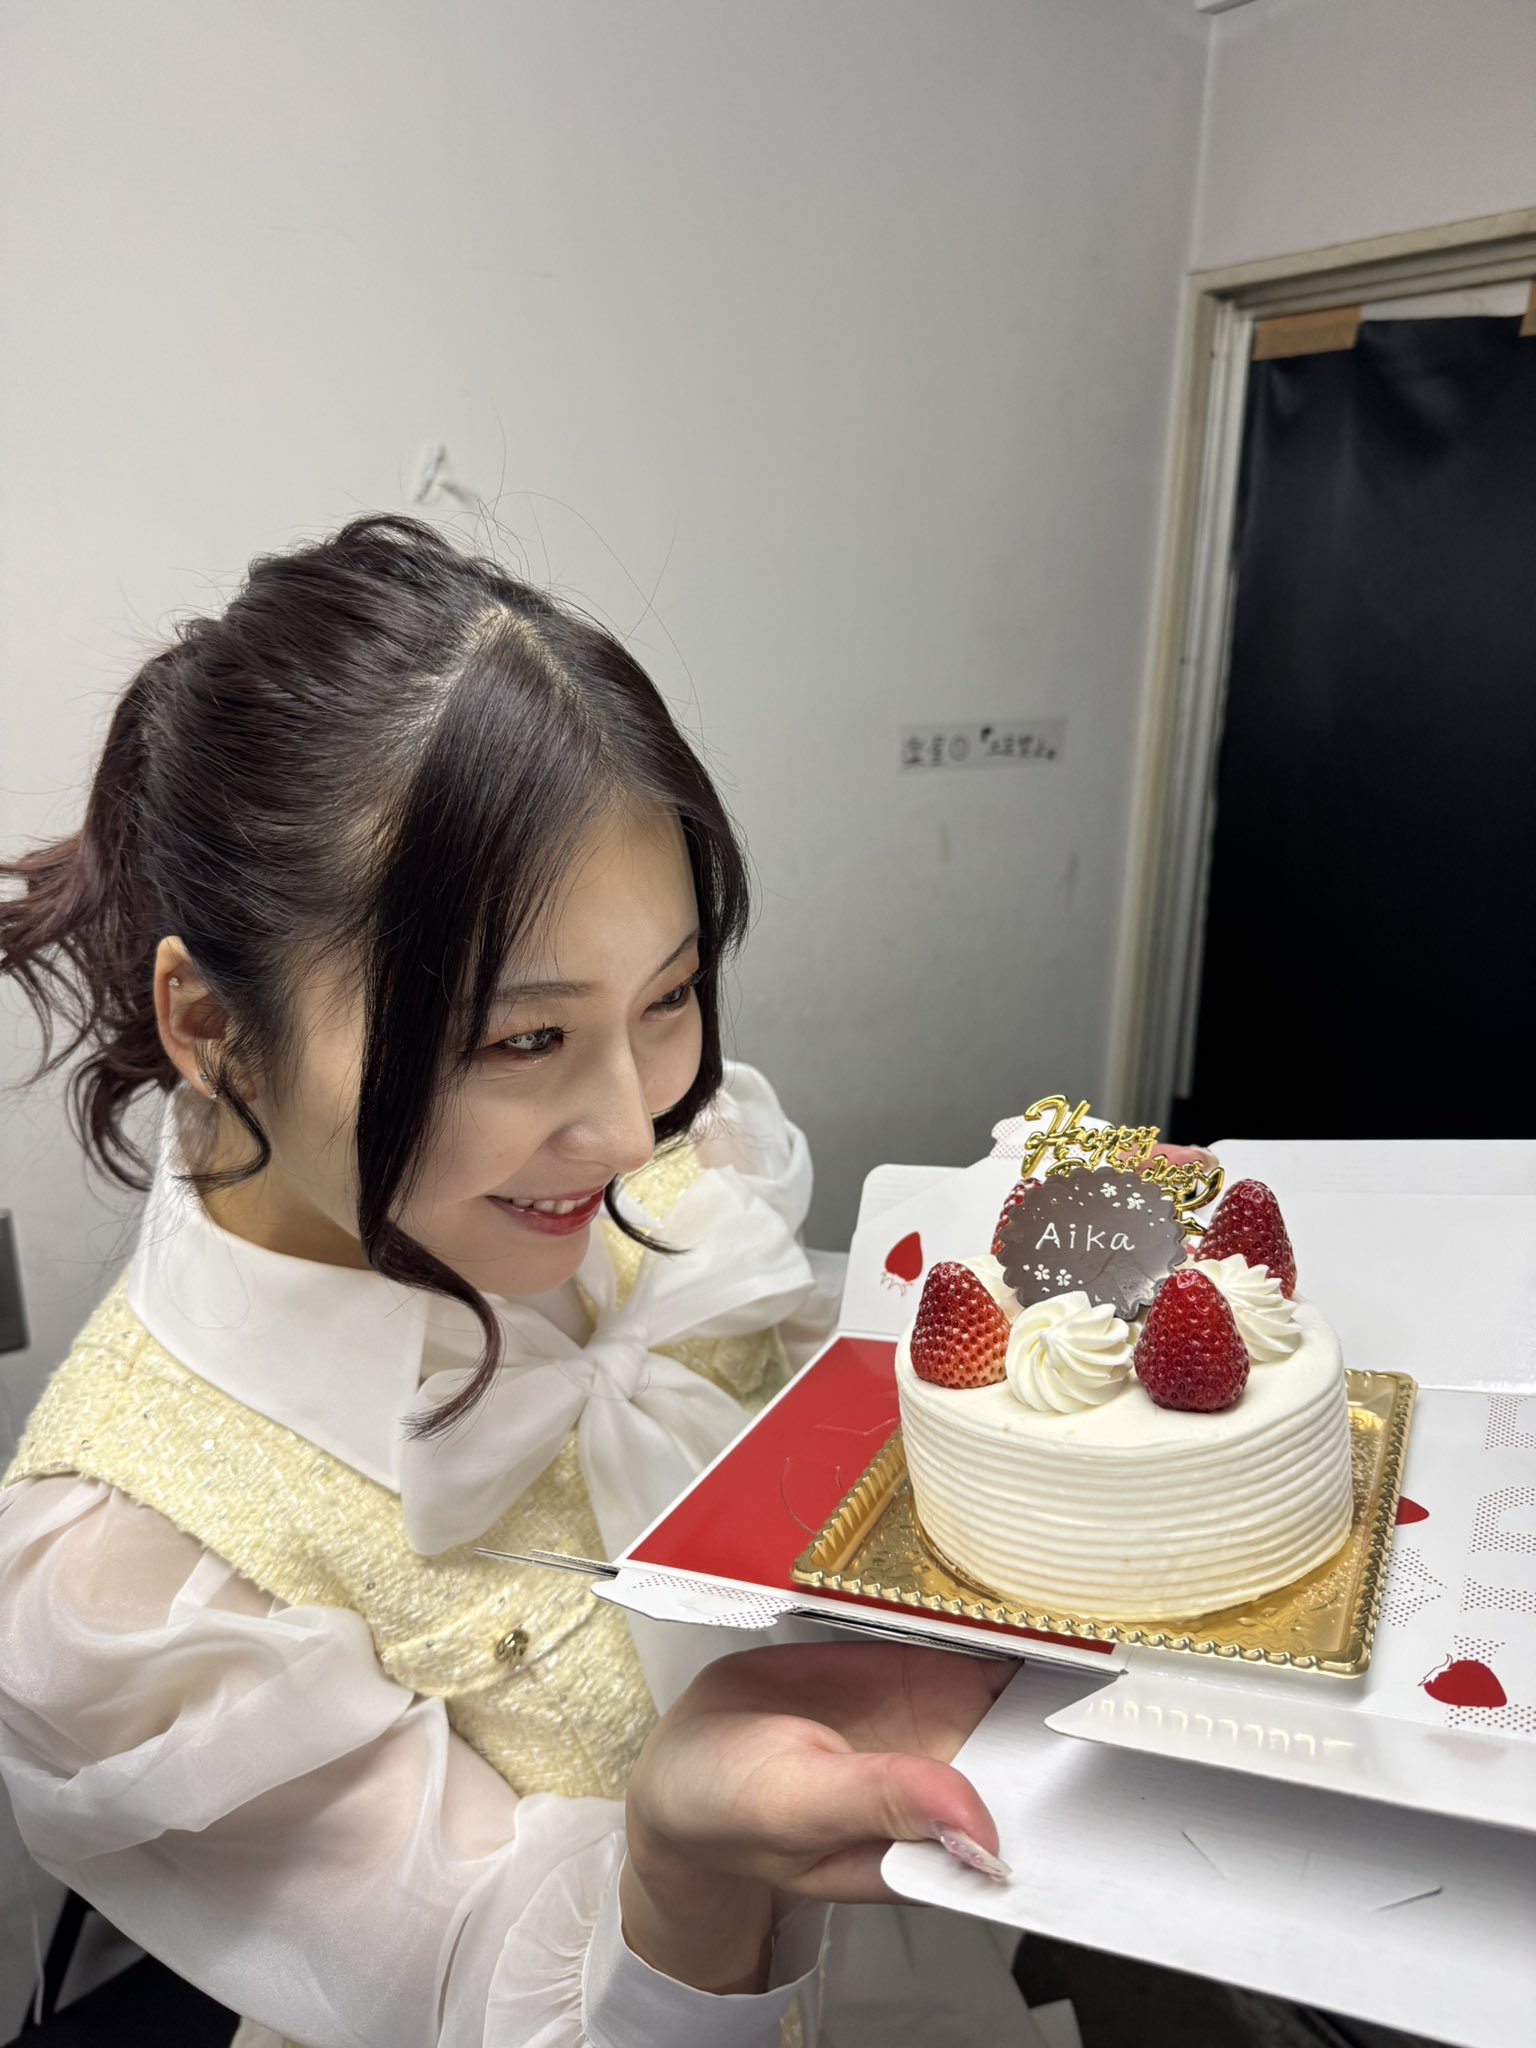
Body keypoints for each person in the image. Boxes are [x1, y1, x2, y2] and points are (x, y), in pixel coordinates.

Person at [0, 518, 1045, 2047]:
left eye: (669, 996)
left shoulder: (642, 1159)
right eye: (523, 1039)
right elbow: (480, 1989)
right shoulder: (121, 1573)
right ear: (211, 1026)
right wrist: (683, 1874)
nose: (629, 1129)